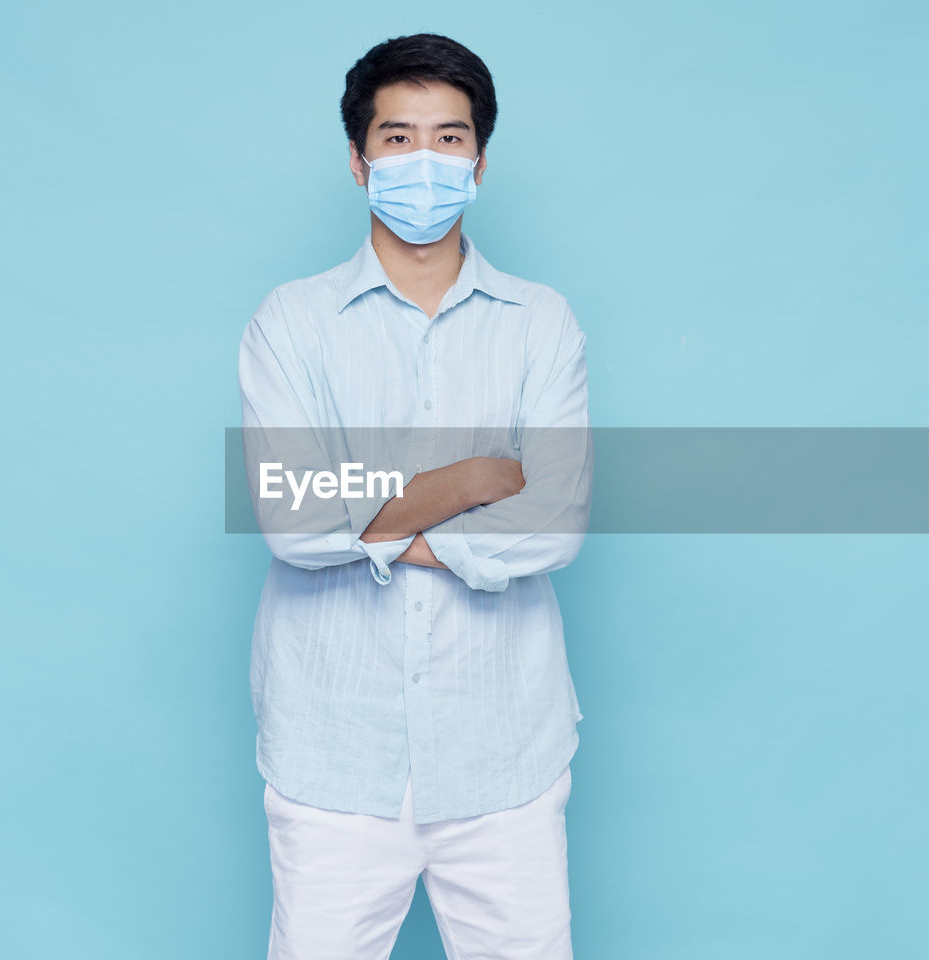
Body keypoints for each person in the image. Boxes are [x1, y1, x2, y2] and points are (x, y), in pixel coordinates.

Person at [237, 32, 592, 960]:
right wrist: (473, 482)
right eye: (398, 139)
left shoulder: (541, 323)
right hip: (333, 754)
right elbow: (289, 516)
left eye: (449, 138)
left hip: (504, 751)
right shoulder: (291, 322)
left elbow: (554, 523)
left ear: (479, 161)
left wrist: (368, 517)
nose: (424, 162)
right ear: (359, 163)